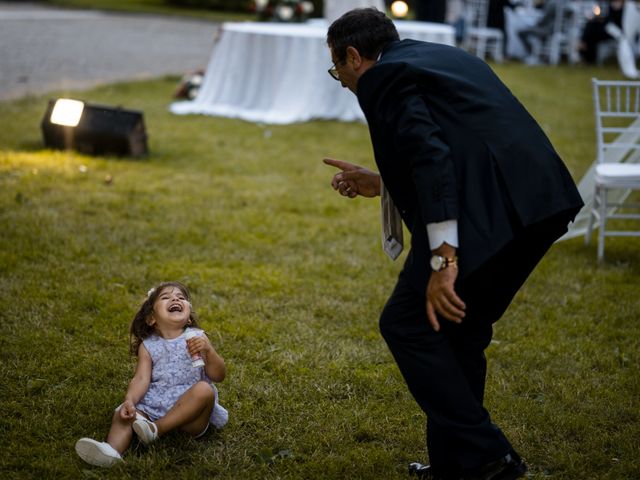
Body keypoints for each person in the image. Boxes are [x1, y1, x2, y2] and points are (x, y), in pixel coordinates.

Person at [325, 8, 583, 480]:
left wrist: (444, 260)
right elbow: (460, 147)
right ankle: (458, 466)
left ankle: (488, 455)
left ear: (354, 56)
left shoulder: (382, 78)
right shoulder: (439, 57)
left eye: (336, 68)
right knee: (458, 331)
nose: (340, 80)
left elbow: (432, 159)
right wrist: (381, 183)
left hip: (488, 220)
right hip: (539, 205)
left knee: (406, 324)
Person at [75, 281, 228, 467]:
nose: (175, 298)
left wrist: (209, 351)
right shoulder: (148, 345)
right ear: (151, 319)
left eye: (181, 297)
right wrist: (130, 400)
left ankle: (157, 429)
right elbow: (141, 378)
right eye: (166, 297)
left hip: (191, 416)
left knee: (205, 389)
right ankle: (111, 450)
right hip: (155, 406)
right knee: (124, 413)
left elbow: (218, 375)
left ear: (188, 318)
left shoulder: (198, 338)